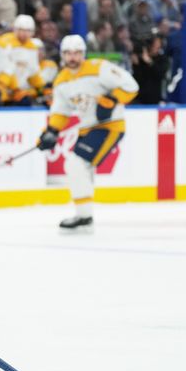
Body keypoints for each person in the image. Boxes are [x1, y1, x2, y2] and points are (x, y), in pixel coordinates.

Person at [37, 35, 138, 231]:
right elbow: (60, 112)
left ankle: (84, 216)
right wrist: (50, 132)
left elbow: (131, 86)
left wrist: (111, 99)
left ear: (83, 54)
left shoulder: (99, 68)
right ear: (62, 55)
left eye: (77, 53)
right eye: (68, 53)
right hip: (87, 128)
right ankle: (86, 214)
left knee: (75, 164)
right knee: (83, 169)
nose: (73, 57)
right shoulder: (61, 81)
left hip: (110, 125)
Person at [3, 15, 45, 105]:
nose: (24, 33)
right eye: (21, 30)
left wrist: (41, 89)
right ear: (15, 29)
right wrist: (14, 89)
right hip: (4, 91)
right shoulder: (6, 43)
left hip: (21, 93)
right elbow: (4, 70)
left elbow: (33, 72)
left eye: (28, 30)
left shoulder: (32, 47)